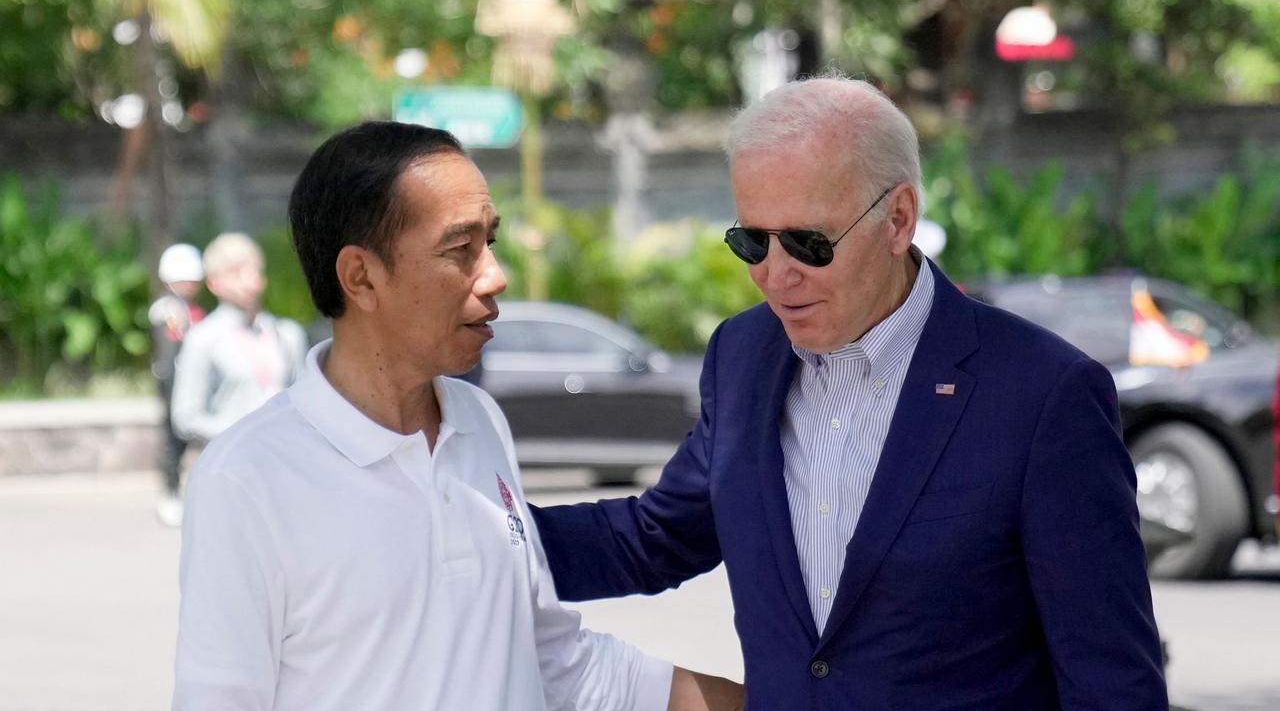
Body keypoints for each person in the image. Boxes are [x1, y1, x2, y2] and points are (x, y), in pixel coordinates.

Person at [530, 76, 1168, 709]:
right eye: (751, 241)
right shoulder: (742, 354)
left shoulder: (1043, 393)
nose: (775, 275)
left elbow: (1112, 684)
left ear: (898, 219)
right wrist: (468, 537)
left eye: (809, 243)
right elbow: (655, 538)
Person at [173, 121, 742, 711]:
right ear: (360, 277)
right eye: (459, 249)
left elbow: (549, 659)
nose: (495, 275)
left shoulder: (477, 420)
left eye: (490, 242)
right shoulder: (245, 479)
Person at [169, 232, 307, 447]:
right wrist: (244, 435)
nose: (249, 280)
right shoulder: (203, 339)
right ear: (214, 283)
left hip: (285, 461)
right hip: (232, 465)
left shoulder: (287, 334)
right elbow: (186, 417)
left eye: (254, 270)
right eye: (235, 272)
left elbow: (303, 403)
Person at [149, 243, 207, 526]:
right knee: (173, 442)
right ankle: (170, 494)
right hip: (173, 382)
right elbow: (169, 352)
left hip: (191, 383)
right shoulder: (168, 309)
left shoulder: (190, 308)